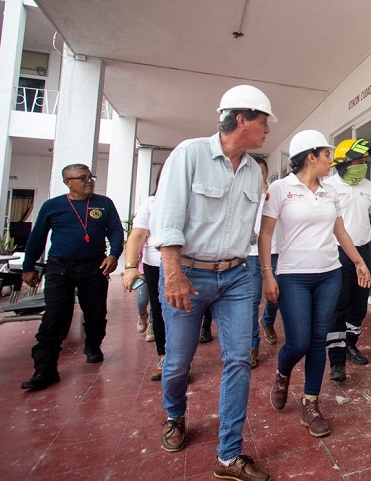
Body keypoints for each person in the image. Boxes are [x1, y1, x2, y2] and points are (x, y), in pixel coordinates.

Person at [149, 84, 276, 481]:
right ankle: (174, 415)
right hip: (187, 275)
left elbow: (251, 230)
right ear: (242, 119)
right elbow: (167, 217)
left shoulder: (254, 171)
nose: (267, 131)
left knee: (238, 359)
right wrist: (172, 273)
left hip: (237, 276)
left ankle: (229, 455)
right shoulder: (189, 154)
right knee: (178, 361)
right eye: (264, 122)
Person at [258, 130, 371, 439]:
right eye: (326, 155)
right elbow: (265, 234)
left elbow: (340, 231)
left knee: (319, 338)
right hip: (293, 275)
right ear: (311, 157)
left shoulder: (329, 191)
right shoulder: (281, 189)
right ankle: (282, 373)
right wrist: (268, 272)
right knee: (298, 342)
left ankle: (311, 404)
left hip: (329, 274)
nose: (330, 161)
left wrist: (359, 261)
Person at [20, 164, 124, 391]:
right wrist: (28, 268)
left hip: (94, 267)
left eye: (90, 177)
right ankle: (45, 370)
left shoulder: (103, 204)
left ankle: (93, 345)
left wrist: (114, 254)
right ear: (67, 181)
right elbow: (37, 237)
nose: (89, 181)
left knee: (96, 313)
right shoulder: (52, 206)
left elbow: (116, 230)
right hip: (60, 269)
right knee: (55, 316)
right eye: (83, 178)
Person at [324, 138, 371, 381]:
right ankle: (336, 361)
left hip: (364, 250)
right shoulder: (328, 186)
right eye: (358, 161)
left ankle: (350, 345)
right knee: (338, 305)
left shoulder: (368, 186)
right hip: (337, 253)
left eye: (365, 161)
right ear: (344, 163)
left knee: (359, 304)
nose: (363, 166)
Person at [122, 168, 166, 380]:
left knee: (183, 311)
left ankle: (181, 357)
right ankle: (165, 356)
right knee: (158, 309)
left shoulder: (195, 201)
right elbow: (138, 234)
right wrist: (130, 267)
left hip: (187, 265)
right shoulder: (151, 203)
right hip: (155, 265)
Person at [247, 155, 279, 368]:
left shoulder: (274, 193)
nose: (259, 177)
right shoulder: (243, 195)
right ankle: (252, 345)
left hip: (275, 251)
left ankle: (267, 321)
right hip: (250, 254)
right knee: (251, 300)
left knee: (276, 294)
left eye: (262, 172)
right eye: (254, 173)